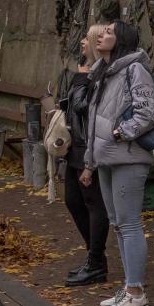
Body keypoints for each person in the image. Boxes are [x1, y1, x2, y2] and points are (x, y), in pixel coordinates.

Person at [83, 20, 154, 306]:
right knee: (117, 223)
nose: (101, 34)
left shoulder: (133, 69)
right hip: (106, 158)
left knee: (129, 224)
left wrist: (120, 133)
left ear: (122, 39)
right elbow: (93, 120)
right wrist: (91, 160)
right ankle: (129, 287)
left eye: (110, 32)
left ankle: (136, 293)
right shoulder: (105, 71)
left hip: (127, 157)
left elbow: (147, 112)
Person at [58, 24, 109, 287]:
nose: (81, 43)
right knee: (72, 200)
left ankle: (96, 262)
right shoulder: (85, 71)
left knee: (93, 203)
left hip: (88, 147)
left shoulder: (96, 75)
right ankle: (94, 256)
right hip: (73, 145)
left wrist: (80, 79)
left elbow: (82, 106)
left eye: (85, 39)